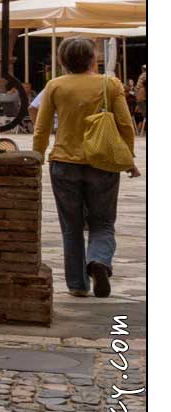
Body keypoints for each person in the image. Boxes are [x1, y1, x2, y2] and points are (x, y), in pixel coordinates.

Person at [34, 37, 139, 299]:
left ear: (62, 60)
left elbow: (42, 127)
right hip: (102, 161)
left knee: (71, 227)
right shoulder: (109, 84)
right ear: (93, 58)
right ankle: (99, 261)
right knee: (102, 222)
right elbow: (126, 125)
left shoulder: (55, 86)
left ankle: (78, 285)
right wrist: (128, 158)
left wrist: (37, 156)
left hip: (64, 162)